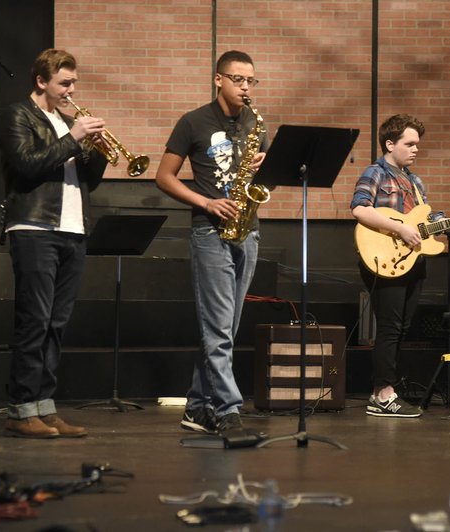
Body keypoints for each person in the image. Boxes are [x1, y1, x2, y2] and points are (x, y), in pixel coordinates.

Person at [155, 50, 268, 439]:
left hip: (247, 230)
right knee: (218, 328)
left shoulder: (255, 121)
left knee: (225, 329)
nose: (245, 87)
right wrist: (205, 202)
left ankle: (197, 406)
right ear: (218, 79)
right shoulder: (193, 122)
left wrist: (265, 165)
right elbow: (164, 176)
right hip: (209, 230)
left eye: (251, 80)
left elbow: (263, 178)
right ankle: (227, 408)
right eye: (238, 79)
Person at [0, 48, 108, 438]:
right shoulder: (18, 115)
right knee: (35, 321)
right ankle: (20, 409)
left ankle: (44, 407)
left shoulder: (66, 121)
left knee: (57, 325)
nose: (71, 90)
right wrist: (75, 138)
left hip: (72, 230)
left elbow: (88, 181)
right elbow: (27, 165)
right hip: (34, 227)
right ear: (41, 81)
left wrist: (95, 150)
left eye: (74, 82)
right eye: (64, 83)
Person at [350, 114, 450, 418]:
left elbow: (426, 222)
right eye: (409, 144)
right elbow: (358, 208)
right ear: (390, 144)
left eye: (417, 144)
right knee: (390, 328)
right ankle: (383, 394)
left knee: (403, 328)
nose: (415, 149)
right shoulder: (375, 173)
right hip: (385, 258)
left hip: (413, 260)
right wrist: (399, 230)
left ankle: (382, 391)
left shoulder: (415, 181)